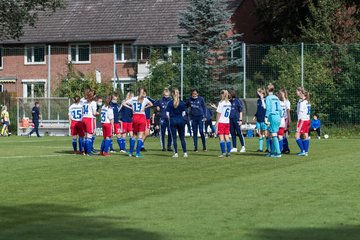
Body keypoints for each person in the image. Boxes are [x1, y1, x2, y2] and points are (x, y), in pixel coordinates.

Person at [123, 88, 153, 158]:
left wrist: (130, 108)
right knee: (140, 136)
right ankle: (137, 154)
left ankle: (130, 153)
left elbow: (124, 103)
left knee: (133, 135)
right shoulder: (145, 99)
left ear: (137, 92)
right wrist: (145, 107)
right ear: (143, 93)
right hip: (142, 117)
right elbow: (151, 104)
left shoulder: (133, 99)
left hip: (135, 117)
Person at [166, 88, 188, 158]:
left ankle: (176, 153)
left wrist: (170, 119)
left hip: (173, 121)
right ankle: (185, 153)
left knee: (174, 138)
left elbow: (167, 114)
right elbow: (184, 113)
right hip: (180, 120)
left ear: (172, 94)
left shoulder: (169, 103)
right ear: (179, 94)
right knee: (182, 138)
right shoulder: (182, 103)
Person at [265, 83, 282, 158]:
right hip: (278, 116)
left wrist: (266, 116)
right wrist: (280, 116)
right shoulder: (276, 97)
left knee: (274, 134)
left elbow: (268, 108)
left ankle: (278, 153)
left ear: (267, 90)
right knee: (271, 134)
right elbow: (280, 108)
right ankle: (272, 152)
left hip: (272, 116)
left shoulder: (268, 98)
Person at [215, 90, 232, 157]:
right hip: (227, 122)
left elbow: (219, 113)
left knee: (221, 138)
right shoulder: (229, 103)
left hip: (221, 122)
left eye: (221, 94)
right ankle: (229, 153)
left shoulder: (221, 103)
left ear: (222, 95)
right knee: (227, 137)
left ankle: (223, 153)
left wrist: (217, 122)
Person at [81, 90, 99, 155]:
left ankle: (84, 151)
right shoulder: (93, 102)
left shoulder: (84, 102)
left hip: (83, 118)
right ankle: (88, 152)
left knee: (85, 136)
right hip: (89, 119)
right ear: (93, 96)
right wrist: (97, 113)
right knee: (89, 136)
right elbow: (94, 113)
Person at [295, 87, 311, 156]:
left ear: (300, 92)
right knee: (305, 135)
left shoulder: (302, 102)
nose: (296, 93)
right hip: (307, 120)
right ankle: (306, 152)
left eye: (297, 91)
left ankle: (303, 150)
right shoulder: (307, 101)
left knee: (296, 136)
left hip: (302, 120)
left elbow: (300, 113)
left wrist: (297, 122)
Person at [253, 88, 267, 152]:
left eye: (259, 92)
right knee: (259, 133)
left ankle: (268, 148)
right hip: (258, 120)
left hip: (264, 120)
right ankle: (260, 148)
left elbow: (265, 108)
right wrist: (255, 116)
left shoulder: (266, 100)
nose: (257, 94)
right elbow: (258, 110)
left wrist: (262, 99)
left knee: (266, 134)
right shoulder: (258, 101)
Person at [281, 88, 291, 154]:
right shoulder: (281, 101)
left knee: (283, 133)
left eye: (281, 93)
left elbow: (288, 111)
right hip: (281, 119)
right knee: (281, 134)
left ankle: (286, 148)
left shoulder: (287, 101)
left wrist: (289, 119)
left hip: (285, 119)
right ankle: (284, 148)